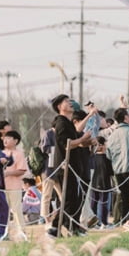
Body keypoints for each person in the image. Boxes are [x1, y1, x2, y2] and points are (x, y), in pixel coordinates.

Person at [49, 95, 91, 237]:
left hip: (73, 165)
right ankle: (55, 228)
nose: (70, 103)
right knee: (68, 199)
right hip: (65, 167)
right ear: (60, 106)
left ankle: (70, 226)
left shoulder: (67, 123)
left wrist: (86, 141)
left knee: (73, 199)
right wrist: (82, 139)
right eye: (67, 101)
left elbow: (75, 142)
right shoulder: (61, 123)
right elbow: (66, 144)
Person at [2, 130, 30, 241]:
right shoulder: (0, 153)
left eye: (9, 138)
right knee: (3, 210)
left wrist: (8, 173)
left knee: (16, 209)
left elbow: (22, 170)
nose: (5, 140)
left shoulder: (19, 154)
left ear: (15, 141)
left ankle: (21, 232)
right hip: (1, 186)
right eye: (5, 138)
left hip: (14, 186)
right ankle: (4, 232)